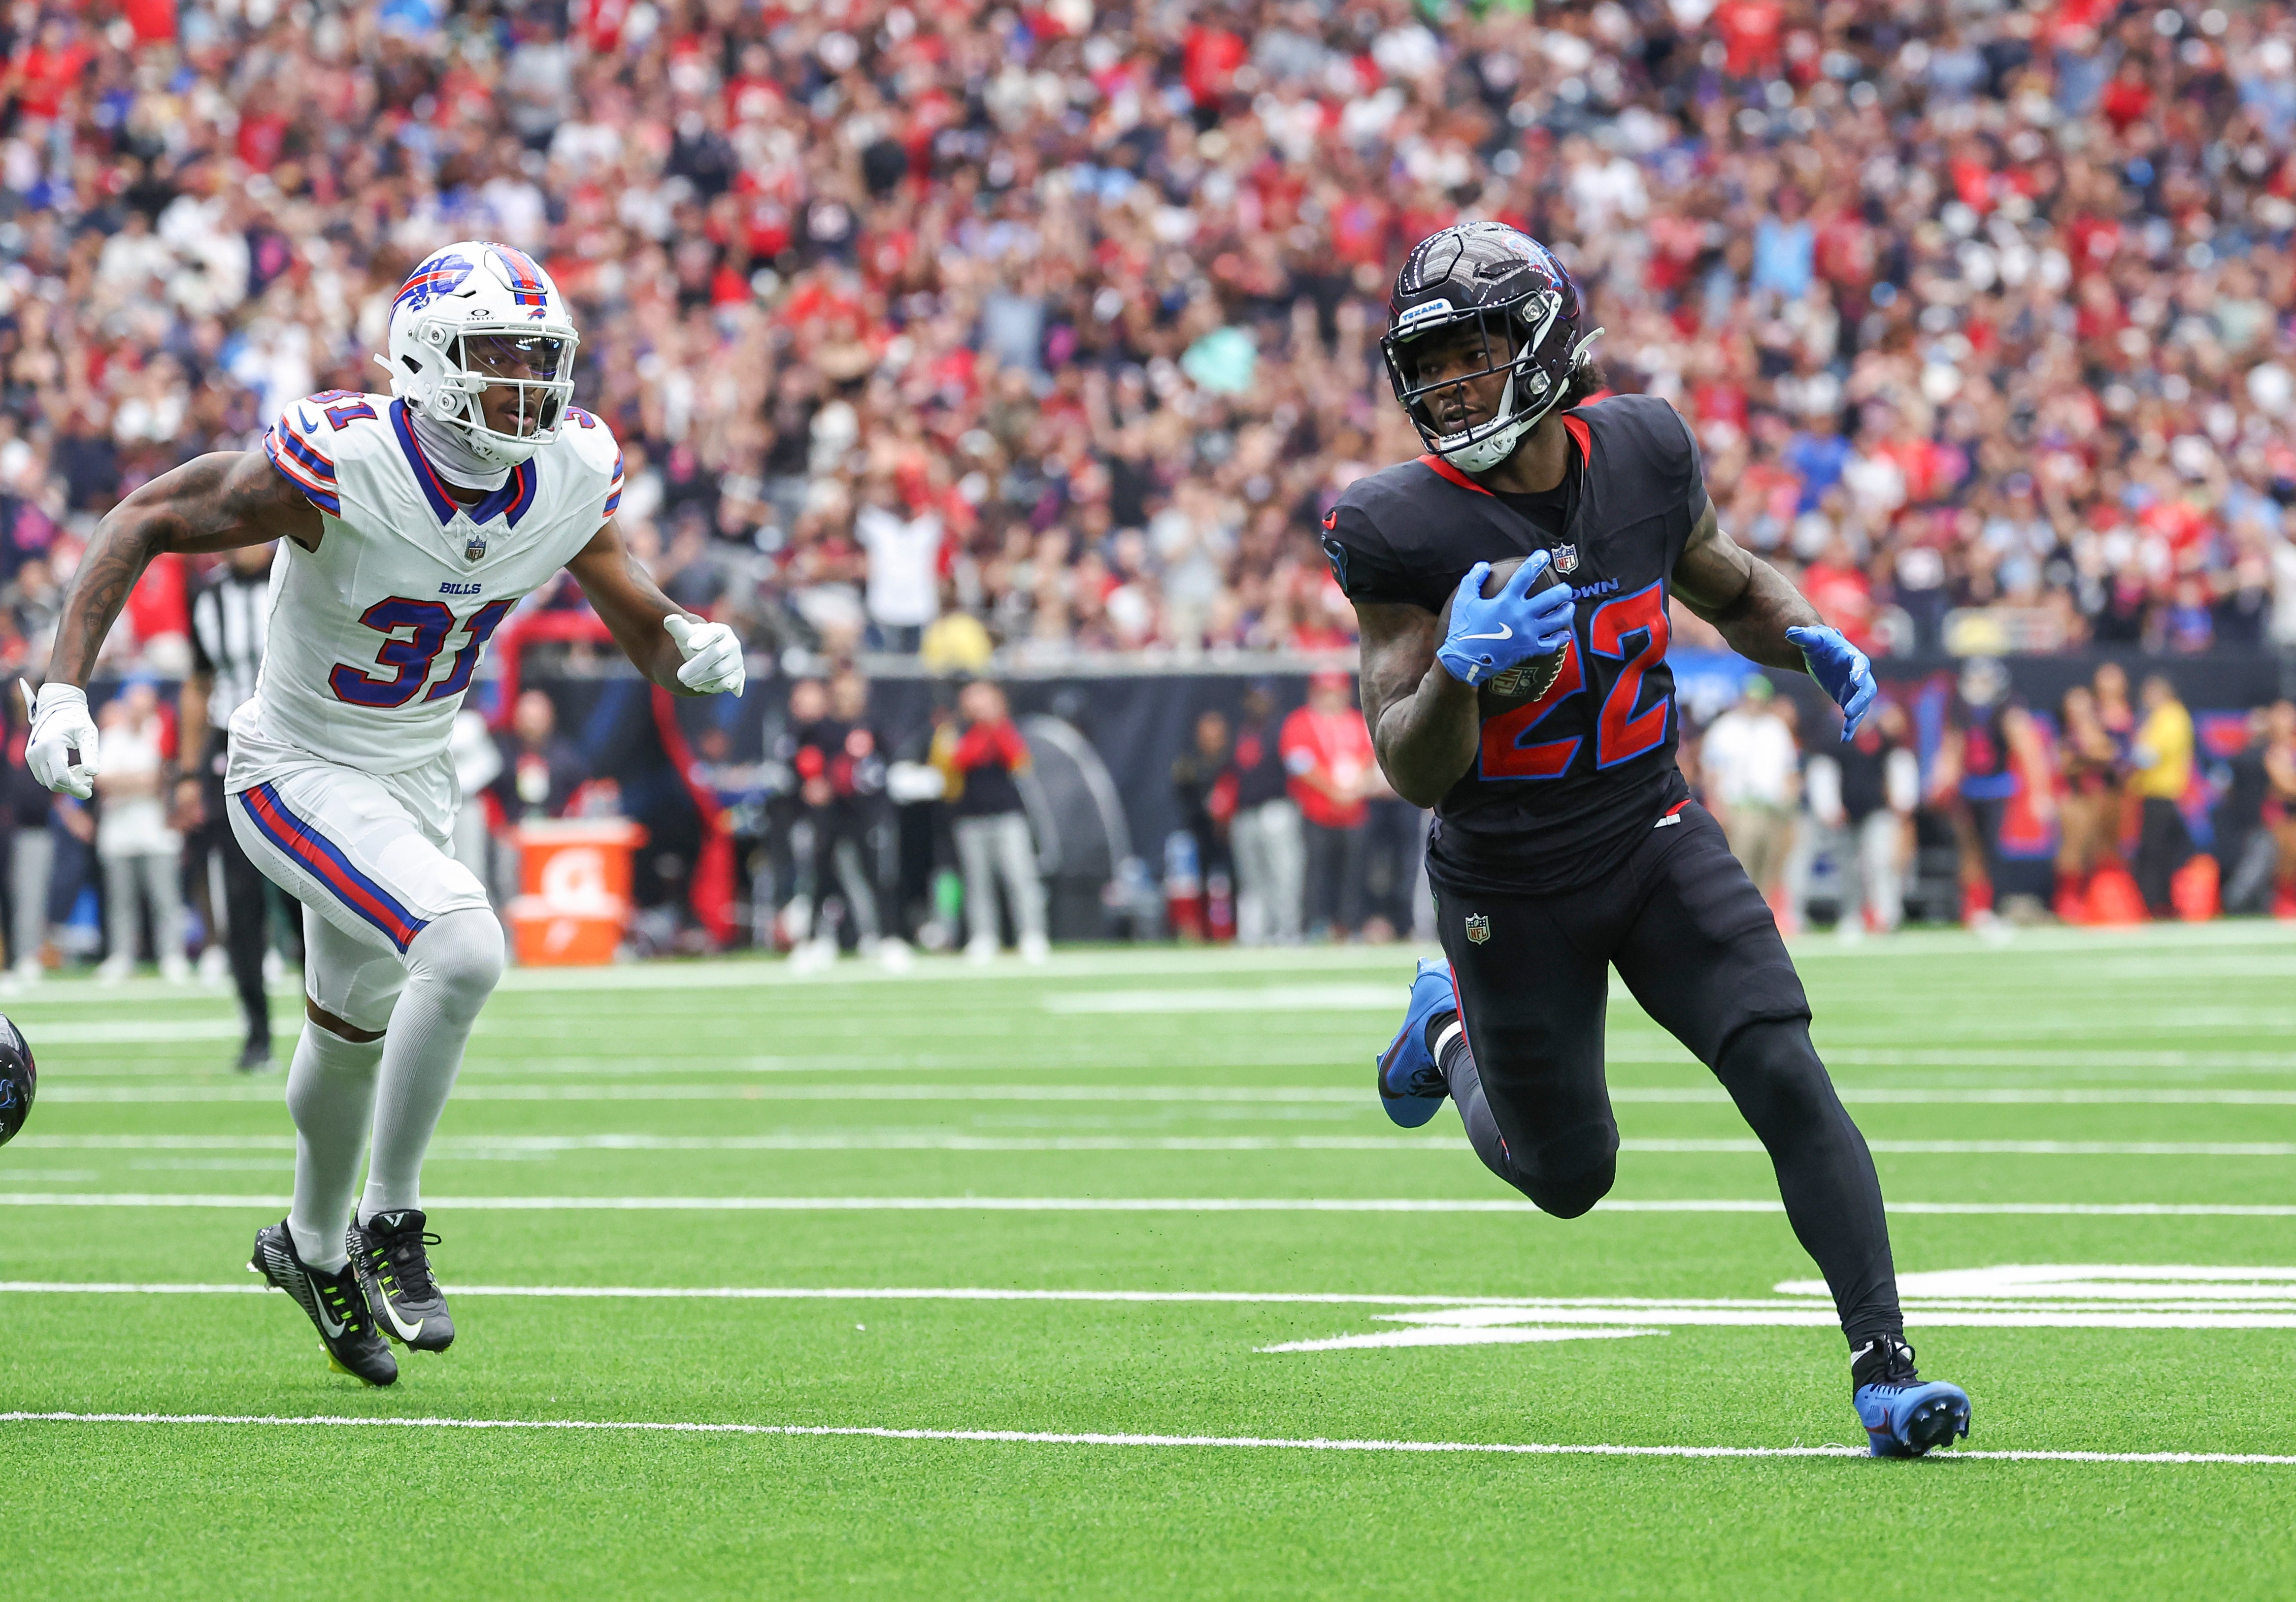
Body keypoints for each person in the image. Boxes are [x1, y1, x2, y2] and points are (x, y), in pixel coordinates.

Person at [23, 241, 748, 1387]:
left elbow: (636, 614)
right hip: (293, 766)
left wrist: (687, 646)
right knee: (462, 944)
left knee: (349, 1033)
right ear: (425, 358)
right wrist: (64, 687)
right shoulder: (345, 460)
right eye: (496, 356)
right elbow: (145, 516)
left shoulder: (569, 469)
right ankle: (387, 1218)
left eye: (537, 358)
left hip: (413, 775)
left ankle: (308, 1248)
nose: (524, 383)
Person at [1326, 223, 1967, 1455]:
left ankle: (1883, 1369)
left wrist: (1804, 636)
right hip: (1507, 876)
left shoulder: (1643, 448)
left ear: (1542, 341)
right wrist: (1458, 672)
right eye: (1431, 362)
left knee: (1780, 1064)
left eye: (1472, 351)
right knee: (1568, 1176)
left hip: (1647, 826)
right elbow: (1409, 766)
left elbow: (1721, 579)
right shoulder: (1395, 526)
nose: (1449, 384)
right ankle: (1443, 1027)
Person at [186, 540, 288, 1066]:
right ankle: (257, 1033)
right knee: (241, 900)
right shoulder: (208, 595)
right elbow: (199, 683)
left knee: (312, 899)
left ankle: (336, 1031)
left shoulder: (300, 571)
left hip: (297, 747)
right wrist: (187, 773)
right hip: (232, 752)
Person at [931, 677, 1046, 963]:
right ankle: (984, 936)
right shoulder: (956, 730)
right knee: (977, 882)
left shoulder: (1005, 728)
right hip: (969, 816)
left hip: (1007, 814)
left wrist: (994, 728)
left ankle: (1032, 934)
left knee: (1020, 877)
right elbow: (957, 761)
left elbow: (1019, 762)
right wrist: (981, 736)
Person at [92, 675, 190, 983]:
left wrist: (128, 782)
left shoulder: (162, 733)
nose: (138, 712)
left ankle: (172, 956)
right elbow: (101, 781)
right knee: (120, 903)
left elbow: (161, 779)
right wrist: (142, 781)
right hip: (118, 835)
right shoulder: (112, 736)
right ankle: (121, 956)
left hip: (157, 834)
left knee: (165, 900)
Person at [1808, 697, 1919, 937]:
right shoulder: (1833, 739)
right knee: (1849, 868)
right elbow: (1824, 770)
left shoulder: (1883, 737)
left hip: (1877, 810)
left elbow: (1897, 764)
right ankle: (1852, 915)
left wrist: (1901, 798)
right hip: (1845, 814)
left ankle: (1887, 915)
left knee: (1880, 862)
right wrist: (1829, 806)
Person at [1281, 669, 1377, 940]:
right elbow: (1298, 761)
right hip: (1317, 812)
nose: (1331, 698)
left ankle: (1350, 926)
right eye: (1325, 692)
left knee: (1353, 874)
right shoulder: (1300, 722)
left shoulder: (1357, 722)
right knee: (1316, 872)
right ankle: (1314, 925)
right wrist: (1333, 790)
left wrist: (1357, 787)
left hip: (1354, 812)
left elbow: (1371, 757)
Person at [1698, 676, 1800, 920]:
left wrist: (1790, 806)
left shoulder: (1775, 729)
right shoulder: (1726, 728)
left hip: (1772, 808)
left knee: (1770, 865)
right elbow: (1711, 772)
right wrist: (1717, 807)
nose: (1755, 704)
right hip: (1740, 806)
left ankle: (1759, 917)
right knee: (1741, 863)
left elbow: (1789, 770)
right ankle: (1737, 917)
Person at [1226, 686, 1303, 946]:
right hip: (1245, 813)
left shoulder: (1282, 728)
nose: (1257, 704)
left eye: (1261, 698)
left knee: (1284, 874)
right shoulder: (1242, 730)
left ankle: (1287, 931)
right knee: (1251, 879)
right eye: (1253, 699)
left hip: (1276, 809)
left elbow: (1298, 765)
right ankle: (1254, 934)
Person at [2053, 686, 2129, 922]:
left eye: (2085, 706)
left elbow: (2113, 757)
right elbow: (2067, 765)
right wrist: (2094, 758)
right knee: (2074, 849)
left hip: (2103, 797)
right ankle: (2068, 901)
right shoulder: (2067, 736)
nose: (2081, 711)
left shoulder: (2101, 731)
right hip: (2077, 797)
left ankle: (2099, 900)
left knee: (2104, 849)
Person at [2128, 674, 2195, 918]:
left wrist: (2127, 754)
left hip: (2161, 794)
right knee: (2160, 853)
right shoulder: (2171, 716)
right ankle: (2160, 904)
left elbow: (2147, 756)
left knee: (2155, 854)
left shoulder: (2169, 716)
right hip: (2162, 794)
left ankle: (2155, 905)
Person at [2262, 702, 2296, 919]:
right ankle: (2285, 901)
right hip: (2281, 815)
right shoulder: (2274, 751)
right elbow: (2284, 785)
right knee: (2288, 855)